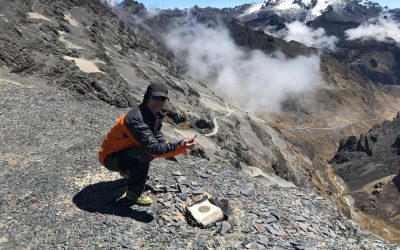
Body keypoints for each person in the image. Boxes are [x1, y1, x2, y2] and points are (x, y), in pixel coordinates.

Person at [98, 82, 197, 206]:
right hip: (110, 158)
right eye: (155, 97)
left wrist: (173, 150)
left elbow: (157, 137)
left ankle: (128, 170)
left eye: (163, 99)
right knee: (145, 154)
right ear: (147, 97)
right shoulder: (135, 118)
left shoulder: (154, 114)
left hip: (122, 152)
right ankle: (134, 194)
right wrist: (180, 145)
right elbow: (153, 149)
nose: (159, 102)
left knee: (148, 151)